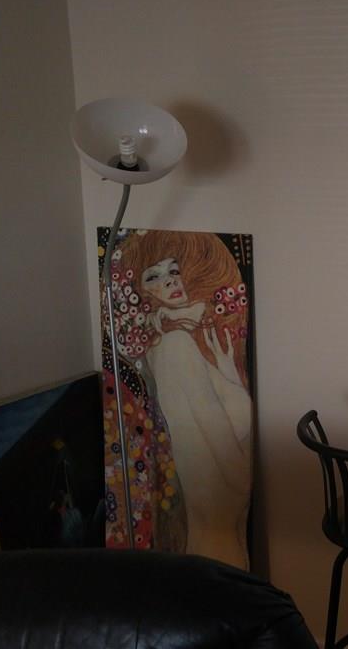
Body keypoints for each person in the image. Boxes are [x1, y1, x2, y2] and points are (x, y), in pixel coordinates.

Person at [109, 230, 252, 569]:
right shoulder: (176, 347)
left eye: (173, 270)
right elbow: (216, 432)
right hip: (218, 510)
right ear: (140, 292)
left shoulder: (184, 341)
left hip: (220, 512)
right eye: (154, 276)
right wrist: (246, 476)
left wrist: (228, 372)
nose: (171, 281)